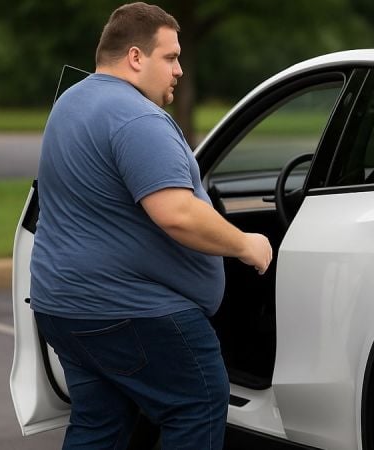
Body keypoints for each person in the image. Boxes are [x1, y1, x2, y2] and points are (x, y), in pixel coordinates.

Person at [28, 3, 273, 449]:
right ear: (136, 57)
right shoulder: (137, 118)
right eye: (171, 57)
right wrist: (245, 243)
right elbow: (176, 212)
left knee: (99, 424)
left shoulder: (71, 102)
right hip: (131, 311)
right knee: (198, 402)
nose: (179, 70)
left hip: (64, 307)